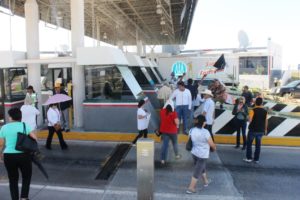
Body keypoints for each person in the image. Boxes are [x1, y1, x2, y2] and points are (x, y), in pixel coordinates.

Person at [0, 108, 37, 200]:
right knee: (26, 177)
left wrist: (0, 154)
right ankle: (24, 197)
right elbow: (35, 138)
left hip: (9, 156)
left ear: (11, 117)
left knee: (12, 179)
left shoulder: (4, 127)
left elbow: (1, 144)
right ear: (20, 117)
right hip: (24, 155)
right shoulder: (25, 126)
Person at [186, 115, 216, 194]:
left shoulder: (192, 130)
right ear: (203, 122)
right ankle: (191, 188)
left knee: (201, 167)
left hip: (194, 153)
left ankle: (206, 181)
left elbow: (189, 140)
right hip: (202, 155)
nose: (205, 122)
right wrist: (214, 148)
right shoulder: (205, 132)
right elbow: (211, 144)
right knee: (197, 171)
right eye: (205, 121)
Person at [244, 97, 268, 163]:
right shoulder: (265, 111)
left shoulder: (252, 110)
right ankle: (256, 159)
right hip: (261, 130)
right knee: (258, 145)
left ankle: (249, 158)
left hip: (252, 130)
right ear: (262, 103)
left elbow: (250, 120)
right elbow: (266, 121)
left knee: (249, 144)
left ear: (255, 103)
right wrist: (265, 130)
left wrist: (247, 118)